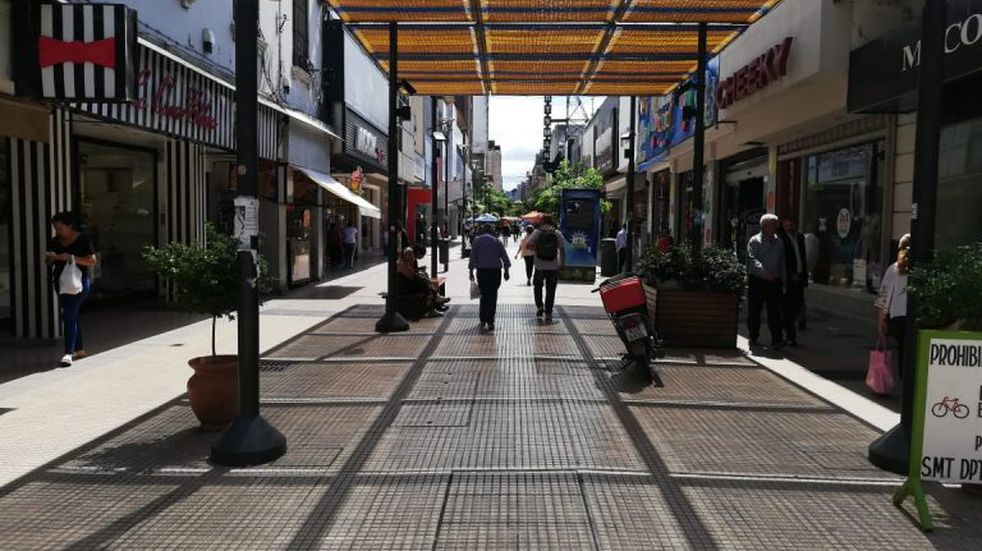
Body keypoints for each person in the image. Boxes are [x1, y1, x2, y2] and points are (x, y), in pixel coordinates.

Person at [45, 212, 97, 367]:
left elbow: (91, 261)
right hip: (61, 283)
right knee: (72, 314)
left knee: (67, 315)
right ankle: (79, 349)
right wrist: (51, 257)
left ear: (70, 226)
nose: (58, 231)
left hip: (79, 283)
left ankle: (68, 353)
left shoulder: (83, 239)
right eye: (55, 228)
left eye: (61, 228)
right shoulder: (55, 241)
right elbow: (48, 262)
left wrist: (71, 257)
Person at [747, 213, 786, 349]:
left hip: (774, 281)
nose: (776, 227)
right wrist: (764, 273)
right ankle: (753, 336)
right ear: (764, 226)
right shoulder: (754, 241)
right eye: (773, 225)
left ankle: (777, 339)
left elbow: (782, 262)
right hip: (758, 280)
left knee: (775, 311)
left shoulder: (779, 242)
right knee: (755, 310)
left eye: (776, 224)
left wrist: (783, 280)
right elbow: (752, 260)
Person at [876, 234, 910, 379]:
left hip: (898, 316)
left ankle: (904, 376)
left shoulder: (894, 269)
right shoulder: (920, 269)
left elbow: (884, 296)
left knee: (902, 347)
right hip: (913, 315)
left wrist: (881, 320)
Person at [469, 224, 511, 331]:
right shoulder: (497, 241)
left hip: (482, 272)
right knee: (492, 295)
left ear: (482, 230)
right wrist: (506, 271)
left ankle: (483, 319)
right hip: (495, 272)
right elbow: (505, 258)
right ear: (492, 231)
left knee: (483, 295)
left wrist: (471, 271)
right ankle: (490, 321)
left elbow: (472, 257)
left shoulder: (477, 241)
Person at [527, 215, 566, 322]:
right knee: (551, 289)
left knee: (538, 287)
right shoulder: (556, 233)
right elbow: (562, 249)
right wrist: (562, 263)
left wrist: (538, 249)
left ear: (543, 221)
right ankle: (548, 312)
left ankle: (540, 306)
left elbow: (528, 245)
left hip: (539, 265)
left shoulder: (537, 232)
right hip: (553, 266)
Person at [779, 217, 808, 346]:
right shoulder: (781, 240)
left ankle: (783, 323)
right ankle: (791, 336)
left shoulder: (800, 238)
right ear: (784, 226)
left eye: (792, 224)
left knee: (798, 305)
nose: (791, 227)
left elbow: (803, 257)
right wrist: (790, 274)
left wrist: (804, 275)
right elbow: (783, 260)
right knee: (788, 308)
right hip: (789, 278)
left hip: (800, 277)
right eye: (788, 224)